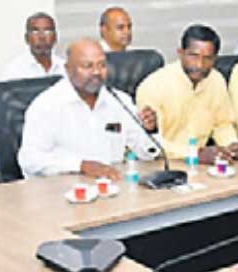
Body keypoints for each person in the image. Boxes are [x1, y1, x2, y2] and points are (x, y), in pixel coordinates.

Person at [18, 38, 161, 178]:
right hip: (63, 188)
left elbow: (147, 153)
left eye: (102, 65)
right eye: (88, 66)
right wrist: (80, 166)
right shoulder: (46, 106)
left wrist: (150, 130)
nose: (96, 72)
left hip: (112, 185)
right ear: (68, 69)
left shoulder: (119, 101)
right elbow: (30, 160)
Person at [136, 25, 238, 165]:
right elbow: (149, 143)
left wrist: (231, 144)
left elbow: (222, 124)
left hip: (202, 165)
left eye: (207, 58)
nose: (199, 65)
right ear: (180, 53)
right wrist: (195, 153)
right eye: (193, 56)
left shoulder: (216, 80)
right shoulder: (153, 86)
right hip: (161, 164)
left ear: (215, 59)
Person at [0, 12, 66, 81]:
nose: (42, 36)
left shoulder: (65, 68)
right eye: (35, 31)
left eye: (47, 31)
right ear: (26, 38)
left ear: (55, 37)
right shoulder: (15, 70)